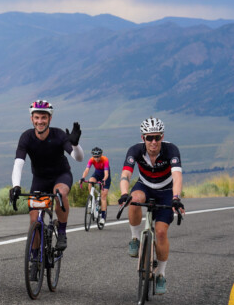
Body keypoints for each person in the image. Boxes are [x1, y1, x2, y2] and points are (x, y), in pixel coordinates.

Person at [117, 117, 184, 295]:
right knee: (134, 199)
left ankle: (161, 273)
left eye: (157, 137)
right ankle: (134, 238)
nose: (153, 141)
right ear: (143, 138)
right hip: (145, 185)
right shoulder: (135, 150)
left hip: (166, 191)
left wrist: (176, 198)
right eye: (149, 138)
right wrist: (124, 193)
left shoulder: (171, 150)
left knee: (161, 232)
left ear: (162, 137)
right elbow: (125, 174)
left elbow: (177, 177)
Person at [10, 100, 83, 252]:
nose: (40, 121)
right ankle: (35, 257)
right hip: (40, 180)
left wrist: (75, 145)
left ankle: (61, 232)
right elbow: (18, 163)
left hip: (61, 176)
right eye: (37, 117)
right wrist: (15, 186)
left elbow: (78, 158)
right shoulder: (26, 137)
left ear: (50, 118)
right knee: (34, 221)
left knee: (60, 193)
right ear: (32, 119)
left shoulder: (59, 135)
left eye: (44, 117)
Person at [79, 146, 111, 225]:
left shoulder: (105, 160)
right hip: (97, 174)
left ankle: (102, 218)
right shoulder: (91, 159)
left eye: (98, 156)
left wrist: (104, 180)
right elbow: (87, 170)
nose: (96, 158)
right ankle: (91, 198)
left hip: (105, 177)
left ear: (101, 155)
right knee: (90, 181)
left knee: (103, 197)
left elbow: (106, 174)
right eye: (95, 156)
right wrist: (83, 177)